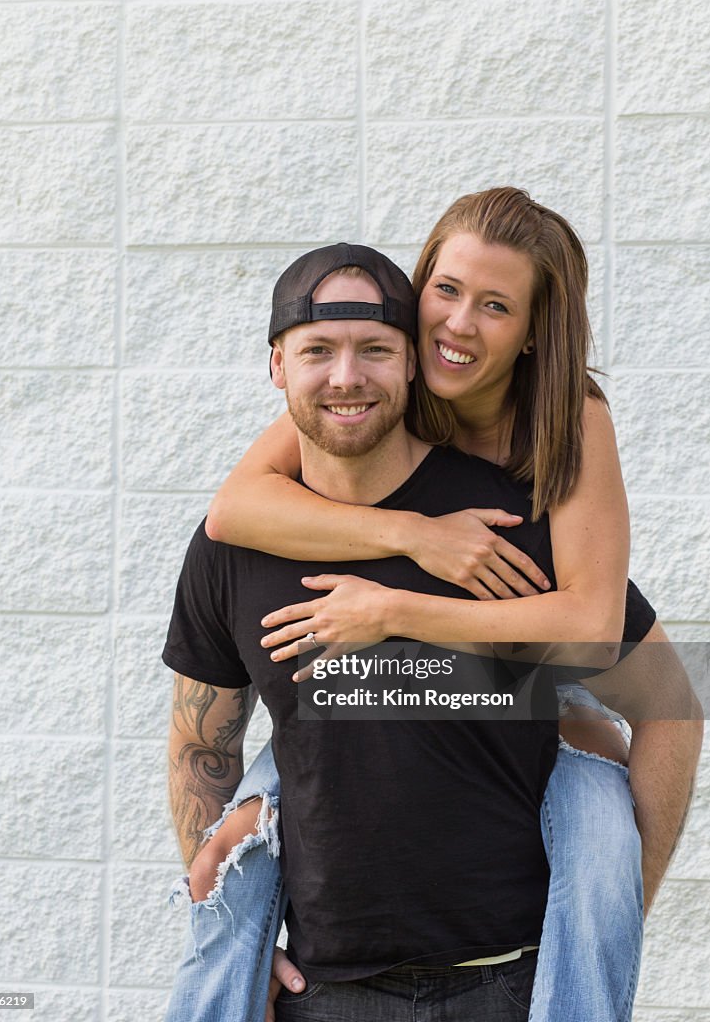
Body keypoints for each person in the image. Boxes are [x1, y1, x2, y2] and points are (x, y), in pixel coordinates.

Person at [162, 224, 700, 1021]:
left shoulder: (514, 518)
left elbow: (663, 696)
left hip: (507, 984)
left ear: (407, 359)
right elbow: (201, 742)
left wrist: (606, 922)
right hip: (326, 991)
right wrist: (246, 943)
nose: (346, 377)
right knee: (279, 770)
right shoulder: (238, 539)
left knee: (581, 758)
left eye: (374, 350)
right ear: (277, 364)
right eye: (316, 351)